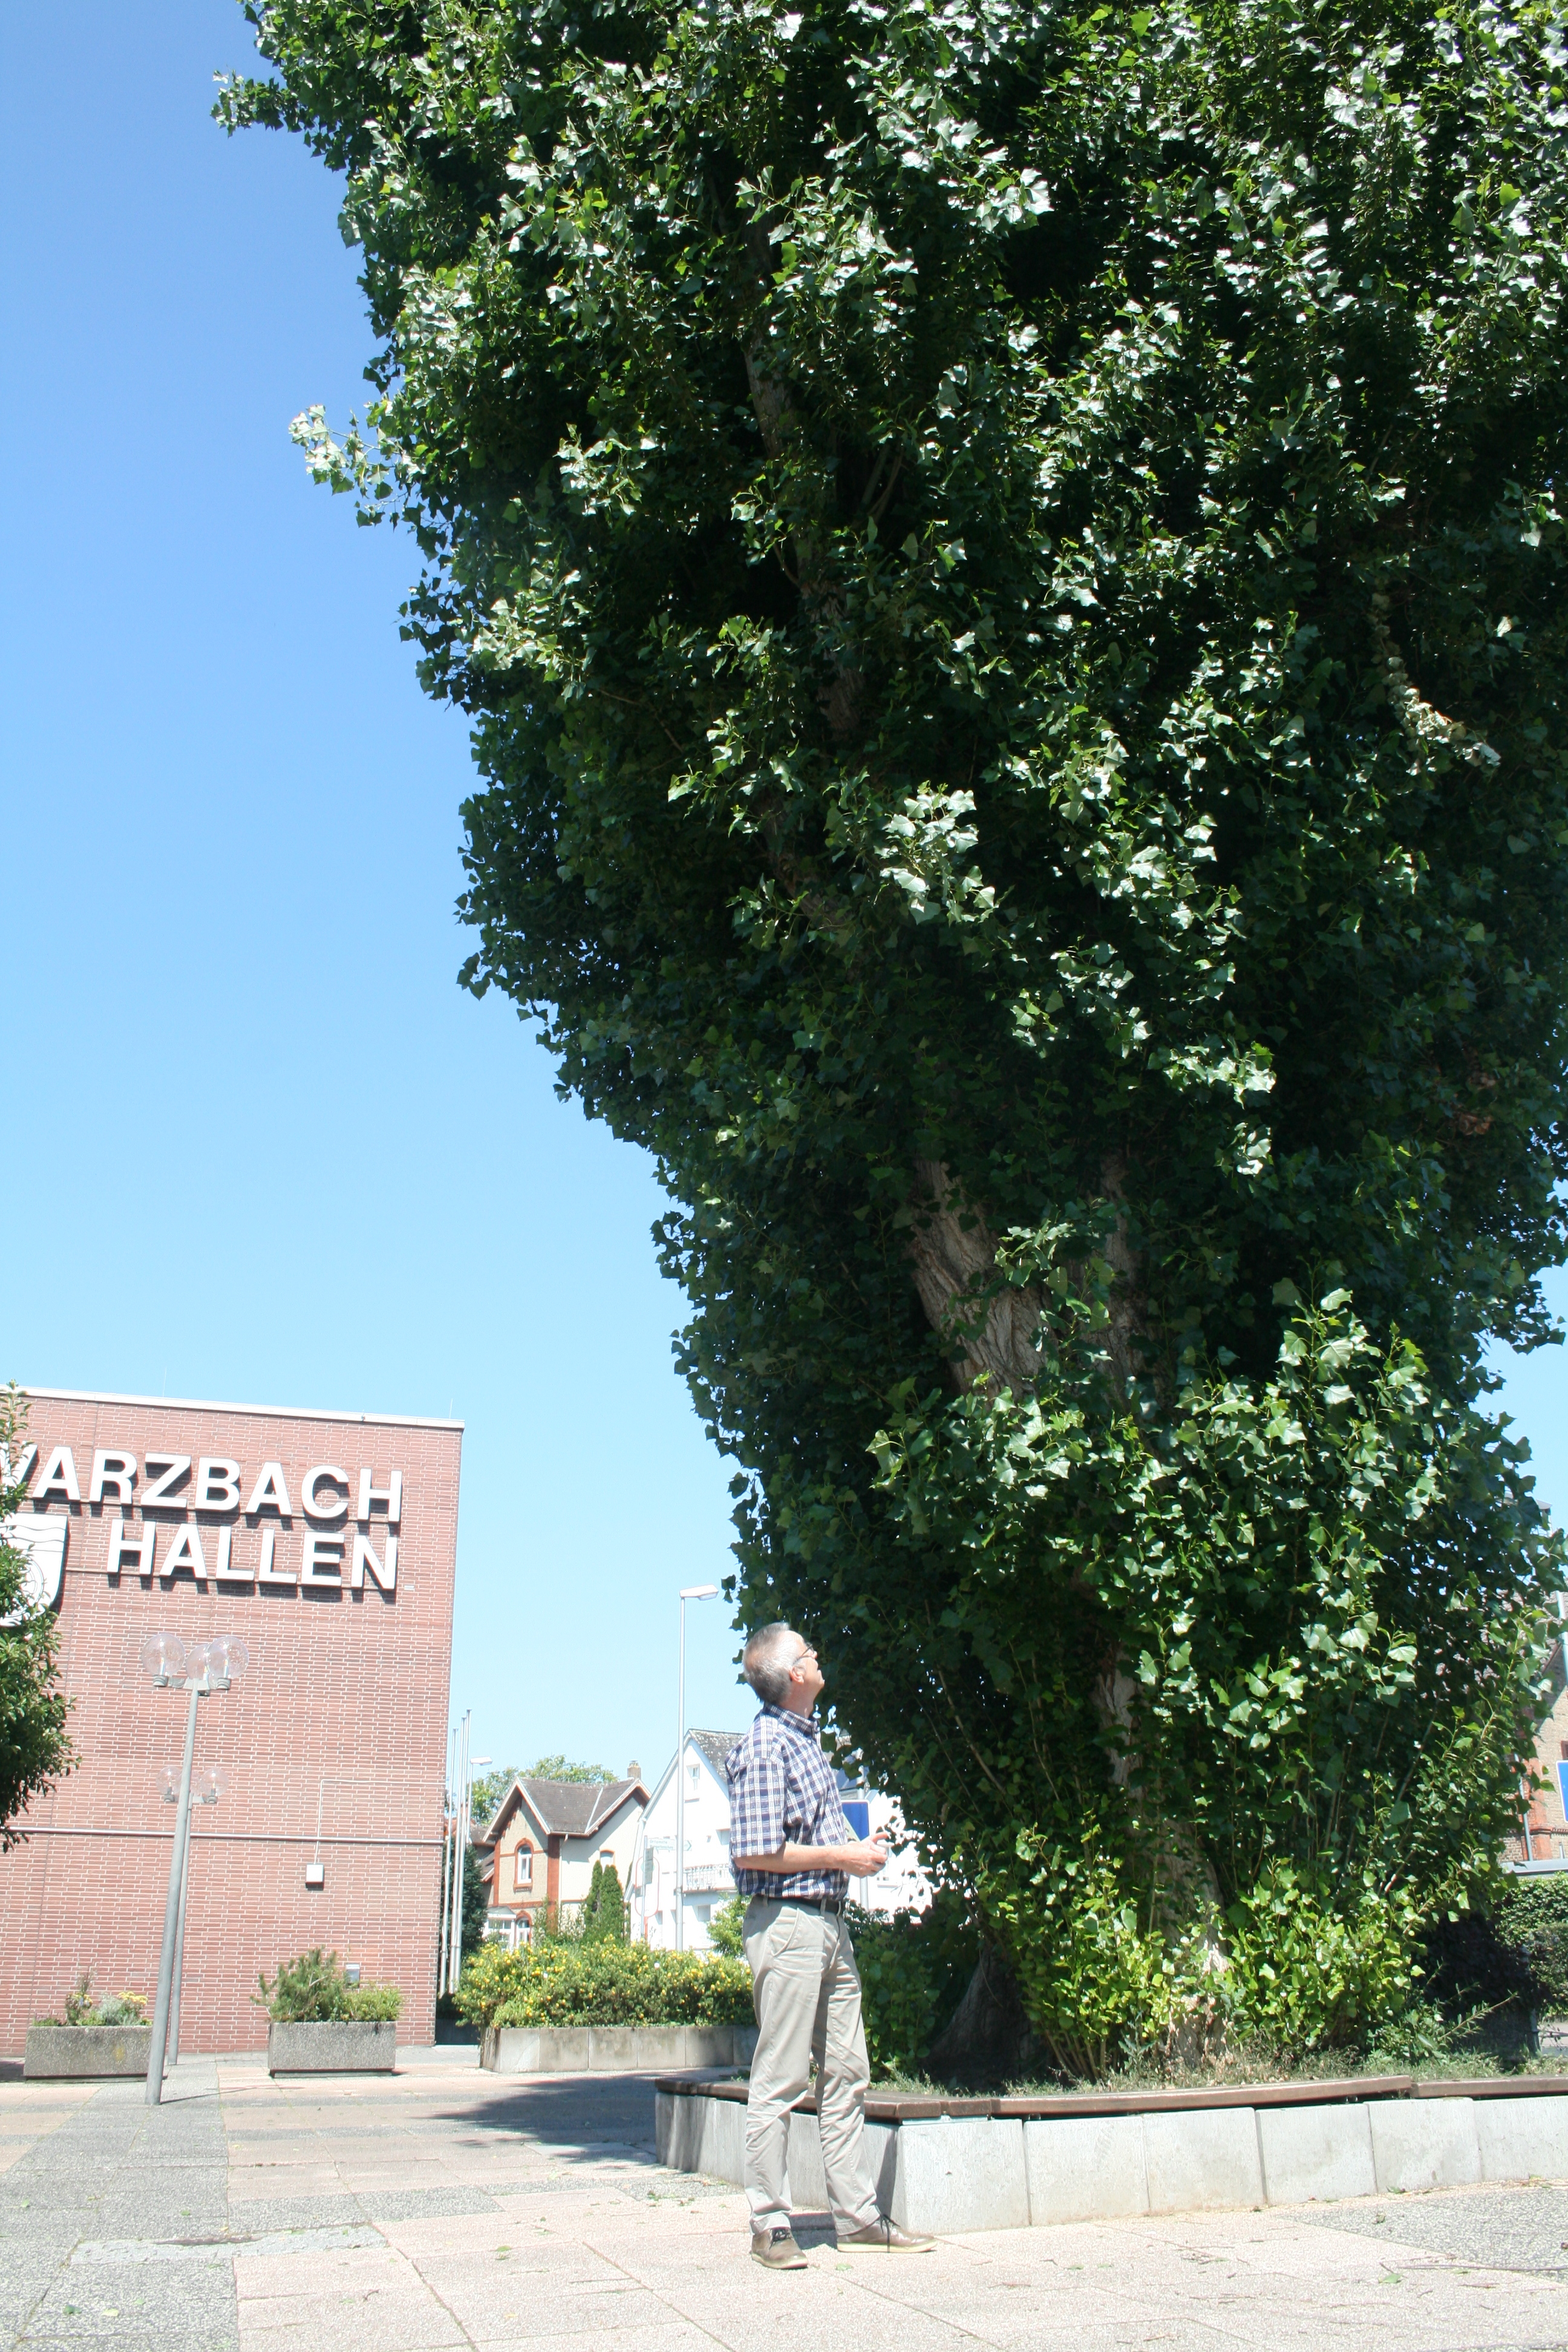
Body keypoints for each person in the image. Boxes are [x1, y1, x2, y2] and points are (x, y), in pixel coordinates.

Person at [727, 1622, 936, 2268]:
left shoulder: (804, 1741)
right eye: (809, 1651)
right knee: (781, 2077)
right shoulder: (766, 1747)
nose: (818, 1656)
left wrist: (856, 1849)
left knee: (847, 2070)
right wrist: (843, 1857)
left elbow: (813, 1833)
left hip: (827, 1925)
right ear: (794, 1674)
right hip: (787, 1924)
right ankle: (770, 2225)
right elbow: (756, 1851)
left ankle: (858, 2216)